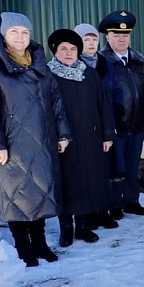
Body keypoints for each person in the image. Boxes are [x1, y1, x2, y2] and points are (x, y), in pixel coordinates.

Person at [0, 12, 72, 267]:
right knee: (16, 195)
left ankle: (40, 244)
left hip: (43, 140)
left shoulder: (39, 63)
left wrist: (63, 133)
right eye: (14, 32)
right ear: (4, 35)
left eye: (25, 32)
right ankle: (23, 246)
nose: (20, 37)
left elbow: (56, 100)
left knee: (39, 192)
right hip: (12, 143)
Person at [46, 29, 116, 247]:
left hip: (91, 137)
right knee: (66, 183)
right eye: (63, 49)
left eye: (73, 49)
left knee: (89, 180)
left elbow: (103, 105)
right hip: (63, 141)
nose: (69, 53)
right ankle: (66, 227)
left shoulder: (89, 74)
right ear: (55, 52)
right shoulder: (48, 76)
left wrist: (107, 134)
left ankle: (83, 226)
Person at [98, 10, 144, 218]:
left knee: (132, 165)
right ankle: (114, 205)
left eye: (125, 35)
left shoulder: (140, 61)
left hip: (137, 123)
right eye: (116, 35)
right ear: (108, 37)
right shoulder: (101, 62)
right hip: (115, 125)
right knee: (115, 167)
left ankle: (132, 200)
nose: (121, 39)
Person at [74, 22, 119, 230]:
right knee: (86, 173)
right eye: (86, 39)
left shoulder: (104, 63)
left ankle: (103, 211)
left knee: (104, 171)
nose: (91, 43)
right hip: (82, 127)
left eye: (94, 39)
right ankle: (88, 215)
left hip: (105, 122)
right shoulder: (72, 65)